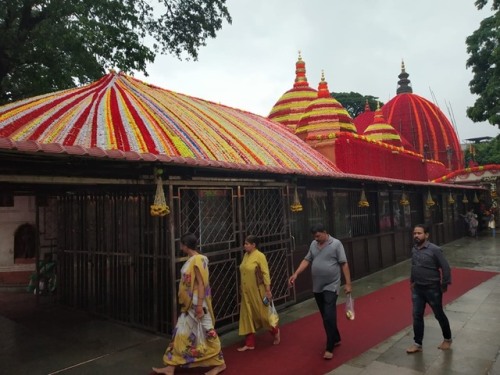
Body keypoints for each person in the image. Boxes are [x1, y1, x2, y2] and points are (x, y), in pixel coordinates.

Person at [152, 233, 226, 375]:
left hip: (198, 304)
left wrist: (199, 306)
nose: (180, 246)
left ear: (186, 246)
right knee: (180, 333)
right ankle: (170, 366)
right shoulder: (192, 259)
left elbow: (201, 284)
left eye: (181, 244)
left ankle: (220, 364)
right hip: (188, 306)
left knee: (209, 331)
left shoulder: (198, 259)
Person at [288, 224, 352, 360]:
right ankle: (335, 337)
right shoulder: (313, 245)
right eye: (314, 237)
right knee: (325, 315)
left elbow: (344, 263)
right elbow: (307, 260)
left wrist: (348, 283)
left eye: (318, 236)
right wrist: (296, 274)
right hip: (317, 286)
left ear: (325, 232)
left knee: (329, 314)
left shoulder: (336, 244)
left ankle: (329, 347)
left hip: (332, 284)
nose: (316, 239)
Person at [406, 224, 452, 354]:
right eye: (414, 233)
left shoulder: (435, 250)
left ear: (426, 235)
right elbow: (414, 266)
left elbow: (445, 267)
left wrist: (444, 284)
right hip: (418, 289)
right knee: (416, 315)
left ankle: (447, 339)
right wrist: (412, 281)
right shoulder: (414, 249)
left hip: (432, 288)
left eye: (419, 233)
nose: (416, 235)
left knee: (439, 314)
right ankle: (417, 343)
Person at [237, 235, 280, 351]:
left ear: (253, 245)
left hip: (258, 291)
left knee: (263, 315)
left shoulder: (260, 256)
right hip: (246, 292)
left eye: (247, 243)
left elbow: (265, 273)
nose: (244, 245)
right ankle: (249, 343)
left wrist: (267, 290)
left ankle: (275, 331)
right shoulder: (246, 256)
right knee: (247, 316)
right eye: (245, 243)